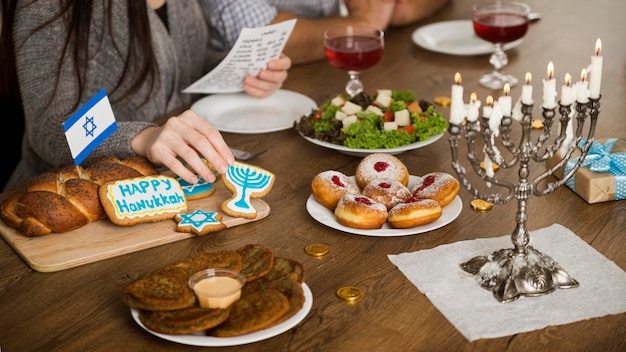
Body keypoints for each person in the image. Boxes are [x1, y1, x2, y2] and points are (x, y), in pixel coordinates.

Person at [0, 0, 292, 192]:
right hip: (60, 199)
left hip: (163, 186)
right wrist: (142, 137)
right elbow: (51, 127)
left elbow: (180, 65)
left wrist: (244, 70)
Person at [200, 0, 450, 65]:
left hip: (323, 76)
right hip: (231, 106)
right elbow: (257, 39)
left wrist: (401, 8)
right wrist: (364, 21)